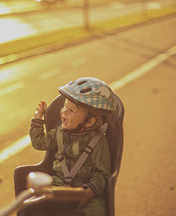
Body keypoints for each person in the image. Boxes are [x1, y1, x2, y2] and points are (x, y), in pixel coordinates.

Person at [28, 77, 116, 216]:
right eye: (64, 106)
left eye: (71, 111)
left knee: (97, 211)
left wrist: (89, 191)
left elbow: (103, 173)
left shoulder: (98, 142)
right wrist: (37, 120)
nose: (63, 112)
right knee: (33, 206)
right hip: (57, 186)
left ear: (89, 121)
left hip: (83, 191)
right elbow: (39, 142)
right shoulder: (59, 132)